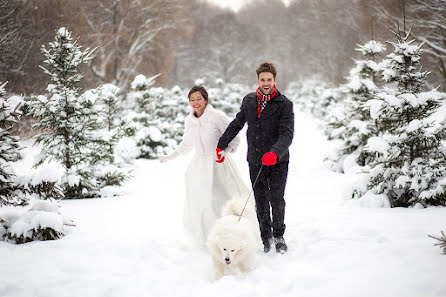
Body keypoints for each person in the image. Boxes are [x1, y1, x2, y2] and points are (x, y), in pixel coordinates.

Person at [216, 62, 294, 254]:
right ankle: (265, 237)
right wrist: (221, 144)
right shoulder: (249, 100)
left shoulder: (284, 104)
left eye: (269, 79)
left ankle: (279, 235)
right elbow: (237, 123)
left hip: (278, 160)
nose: (265, 83)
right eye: (262, 79)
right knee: (260, 199)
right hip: (255, 159)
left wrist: (275, 152)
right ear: (258, 80)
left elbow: (287, 134)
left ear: (275, 80)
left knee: (276, 199)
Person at [159, 86, 248, 247]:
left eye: (199, 98)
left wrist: (224, 151)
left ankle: (231, 236)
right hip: (199, 167)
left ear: (206, 99)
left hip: (219, 164)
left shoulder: (217, 117)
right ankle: (208, 239)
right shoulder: (189, 121)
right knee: (202, 202)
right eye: (192, 99)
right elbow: (186, 144)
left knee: (223, 200)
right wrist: (170, 156)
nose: (195, 102)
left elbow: (234, 139)